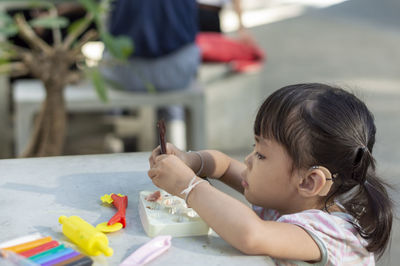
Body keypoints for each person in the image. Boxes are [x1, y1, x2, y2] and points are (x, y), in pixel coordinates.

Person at [148, 83, 393, 264]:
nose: (248, 159)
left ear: (309, 182)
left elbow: (250, 235)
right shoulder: (289, 196)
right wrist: (190, 160)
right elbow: (222, 165)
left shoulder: (330, 232)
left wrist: (188, 186)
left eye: (261, 155)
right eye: (254, 147)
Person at [101, 0, 200, 150]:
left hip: (126, 75)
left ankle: (119, 128)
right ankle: (171, 137)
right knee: (187, 50)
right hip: (175, 73)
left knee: (109, 55)